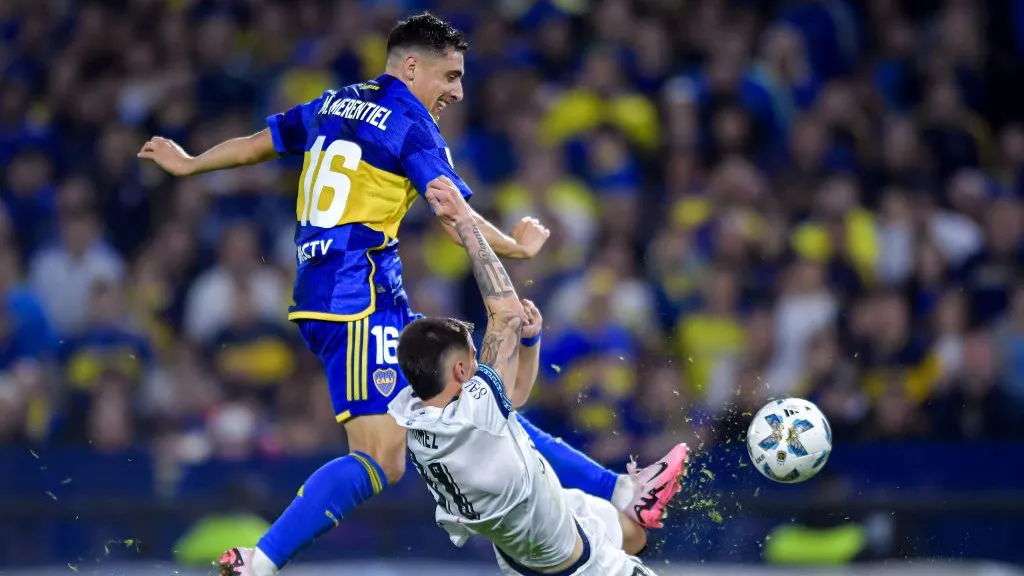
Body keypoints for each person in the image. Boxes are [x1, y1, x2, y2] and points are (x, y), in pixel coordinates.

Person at [139, 12, 684, 576]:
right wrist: (515, 251)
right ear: (412, 65)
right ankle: (259, 561)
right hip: (355, 299)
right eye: (450, 76)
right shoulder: (411, 123)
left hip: (358, 293)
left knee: (473, 397)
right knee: (381, 456)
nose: (457, 91)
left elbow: (262, 142)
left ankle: (620, 488)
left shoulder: (334, 101)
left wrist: (192, 162)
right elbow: (454, 214)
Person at [390, 180, 686, 575]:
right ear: (460, 370)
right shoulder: (473, 413)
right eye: (474, 357)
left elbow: (515, 399)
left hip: (537, 529)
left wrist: (531, 343)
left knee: (633, 532)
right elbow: (504, 312)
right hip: (574, 562)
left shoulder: (418, 414)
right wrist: (465, 222)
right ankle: (625, 495)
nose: (481, 363)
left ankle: (627, 492)